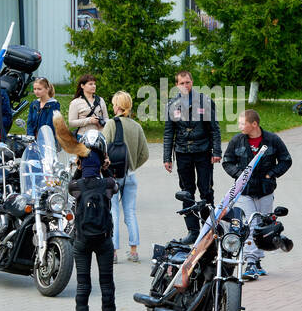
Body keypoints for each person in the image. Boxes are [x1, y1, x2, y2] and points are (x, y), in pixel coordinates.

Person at [63, 121, 125, 311]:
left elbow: (70, 184)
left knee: (82, 287)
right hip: (103, 240)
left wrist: (79, 166)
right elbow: (115, 183)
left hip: (81, 241)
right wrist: (106, 167)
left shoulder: (76, 186)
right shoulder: (108, 184)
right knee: (107, 286)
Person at [221, 109, 291, 280]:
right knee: (251, 224)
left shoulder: (272, 140)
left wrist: (272, 173)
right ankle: (250, 262)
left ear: (254, 124)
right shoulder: (237, 141)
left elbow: (286, 160)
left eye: (242, 123)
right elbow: (227, 161)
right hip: (244, 192)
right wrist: (239, 174)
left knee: (263, 225)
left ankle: (257, 261)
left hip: (266, 191)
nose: (239, 126)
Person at [162, 69, 221, 240]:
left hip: (203, 152)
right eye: (182, 83)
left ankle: (208, 228)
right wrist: (167, 158)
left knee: (206, 190)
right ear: (177, 85)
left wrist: (216, 151)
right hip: (182, 153)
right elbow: (168, 133)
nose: (185, 85)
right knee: (187, 192)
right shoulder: (172, 104)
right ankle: (193, 231)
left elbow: (215, 129)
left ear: (192, 82)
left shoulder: (205, 101)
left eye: (187, 82)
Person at [102, 91, 149, 263]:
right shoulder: (137, 126)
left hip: (114, 175)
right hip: (131, 174)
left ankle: (113, 252)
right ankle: (134, 250)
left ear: (118, 106)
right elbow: (145, 153)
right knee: (130, 212)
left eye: (114, 103)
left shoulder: (111, 124)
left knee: (113, 212)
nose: (113, 106)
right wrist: (132, 165)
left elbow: (103, 148)